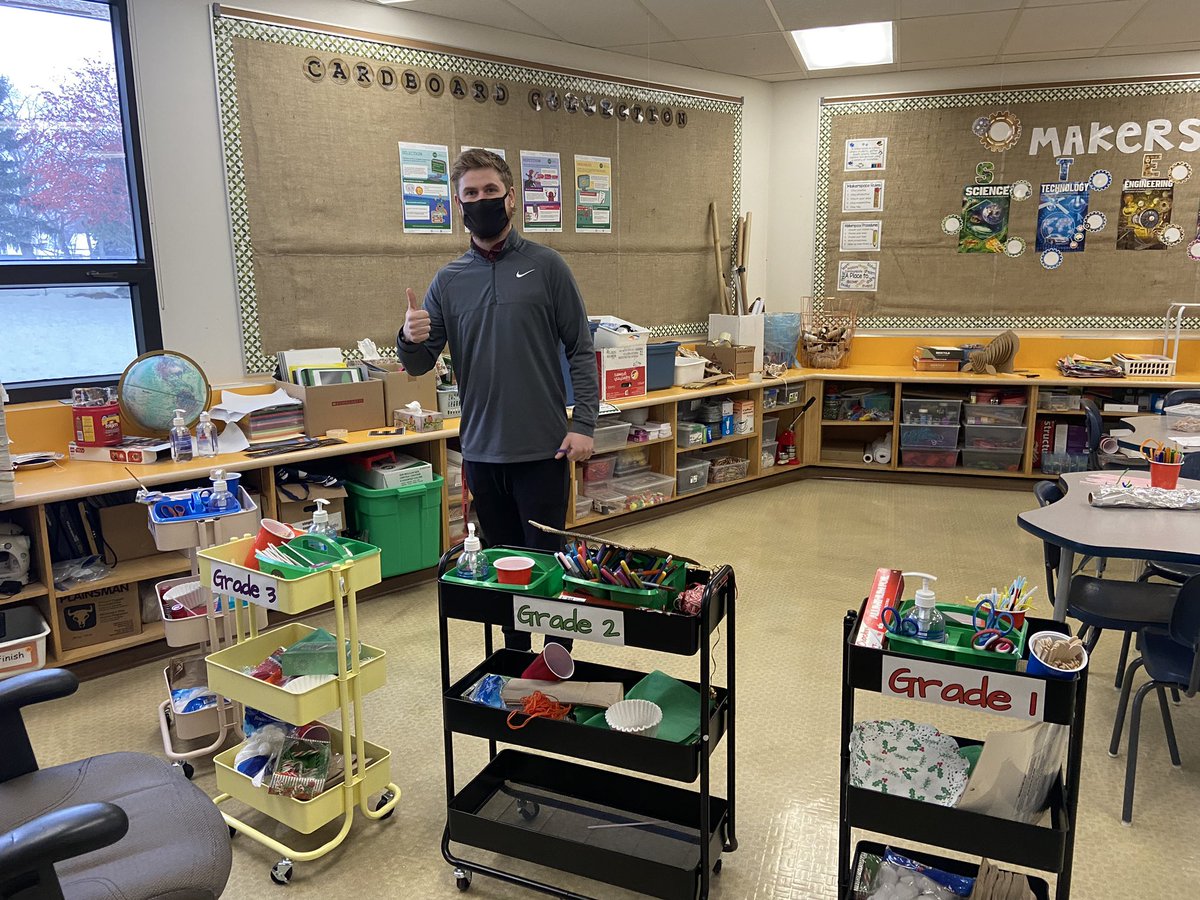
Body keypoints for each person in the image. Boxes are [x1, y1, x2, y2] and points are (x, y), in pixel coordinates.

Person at [397, 148, 598, 650]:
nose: (481, 200)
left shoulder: (547, 267)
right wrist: (409, 336)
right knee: (502, 565)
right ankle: (514, 655)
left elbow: (580, 346)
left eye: (490, 191)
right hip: (483, 453)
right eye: (471, 194)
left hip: (545, 450)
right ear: (459, 204)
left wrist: (585, 425)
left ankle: (555, 664)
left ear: (511, 199)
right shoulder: (448, 280)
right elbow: (420, 364)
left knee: (549, 567)